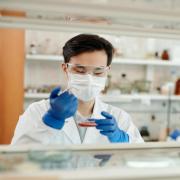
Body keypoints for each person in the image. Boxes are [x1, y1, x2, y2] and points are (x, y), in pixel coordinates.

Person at [11, 34, 144, 145]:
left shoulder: (119, 118)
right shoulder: (38, 111)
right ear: (65, 68)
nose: (89, 78)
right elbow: (15, 158)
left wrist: (123, 140)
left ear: (107, 71)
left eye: (98, 72)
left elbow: (143, 160)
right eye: (80, 70)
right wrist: (50, 122)